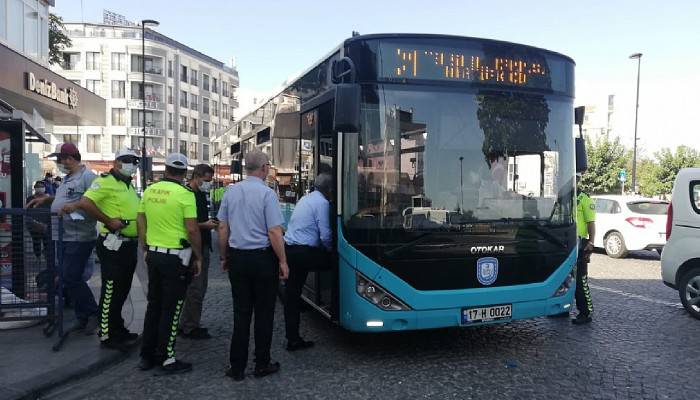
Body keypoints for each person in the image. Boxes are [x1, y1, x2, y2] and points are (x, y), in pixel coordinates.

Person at [217, 150, 289, 382]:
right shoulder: (267, 195)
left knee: (241, 313)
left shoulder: (230, 192)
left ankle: (237, 366)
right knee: (264, 313)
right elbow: (274, 231)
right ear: (264, 168)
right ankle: (261, 363)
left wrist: (224, 255)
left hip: (238, 258)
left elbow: (222, 228)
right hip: (262, 259)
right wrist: (283, 261)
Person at [136, 153, 202, 375]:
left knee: (154, 306)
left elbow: (141, 221)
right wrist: (199, 256)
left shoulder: (149, 190)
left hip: (153, 255)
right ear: (184, 173)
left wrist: (145, 247)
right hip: (175, 258)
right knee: (171, 309)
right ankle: (166, 358)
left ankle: (147, 356)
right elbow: (192, 229)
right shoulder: (185, 194)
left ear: (165, 170)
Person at [71, 148, 141, 351]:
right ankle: (106, 334)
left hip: (128, 245)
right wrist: (108, 220)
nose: (132, 164)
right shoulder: (105, 181)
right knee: (111, 290)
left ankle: (117, 328)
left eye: (135, 161)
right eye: (128, 160)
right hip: (112, 244)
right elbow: (85, 202)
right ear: (117, 162)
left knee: (122, 290)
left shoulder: (128, 185)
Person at [28, 143, 99, 333]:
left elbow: (94, 202)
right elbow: (66, 199)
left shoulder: (88, 177)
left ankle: (92, 314)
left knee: (70, 276)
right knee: (69, 277)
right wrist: (48, 200)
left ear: (69, 158)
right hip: (63, 235)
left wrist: (75, 206)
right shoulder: (67, 179)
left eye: (59, 159)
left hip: (79, 236)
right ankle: (82, 317)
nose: (58, 163)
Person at [283, 173, 333, 351]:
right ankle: (334, 302)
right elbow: (326, 235)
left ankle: (292, 337)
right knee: (339, 264)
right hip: (303, 253)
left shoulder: (306, 198)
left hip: (290, 249)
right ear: (329, 189)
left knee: (292, 296)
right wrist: (332, 251)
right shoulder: (322, 203)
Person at [179, 164, 217, 340]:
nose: (208, 184)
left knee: (196, 287)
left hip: (201, 244)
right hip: (194, 247)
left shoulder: (200, 194)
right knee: (196, 287)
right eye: (206, 180)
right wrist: (206, 225)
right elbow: (189, 225)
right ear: (196, 176)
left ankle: (187, 322)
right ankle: (189, 326)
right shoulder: (188, 194)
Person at [573, 178, 596, 325]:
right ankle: (562, 307)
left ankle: (585, 311)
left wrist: (591, 242)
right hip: (565, 242)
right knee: (565, 279)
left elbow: (591, 223)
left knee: (581, 279)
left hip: (580, 244)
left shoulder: (584, 199)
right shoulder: (564, 197)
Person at [26, 181, 51, 258]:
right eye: (38, 186)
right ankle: (38, 257)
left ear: (44, 188)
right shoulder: (30, 198)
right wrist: (34, 223)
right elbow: (27, 211)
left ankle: (47, 259)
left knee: (47, 243)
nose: (39, 188)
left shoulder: (49, 198)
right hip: (34, 226)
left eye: (41, 186)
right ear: (35, 188)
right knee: (36, 243)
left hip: (46, 225)